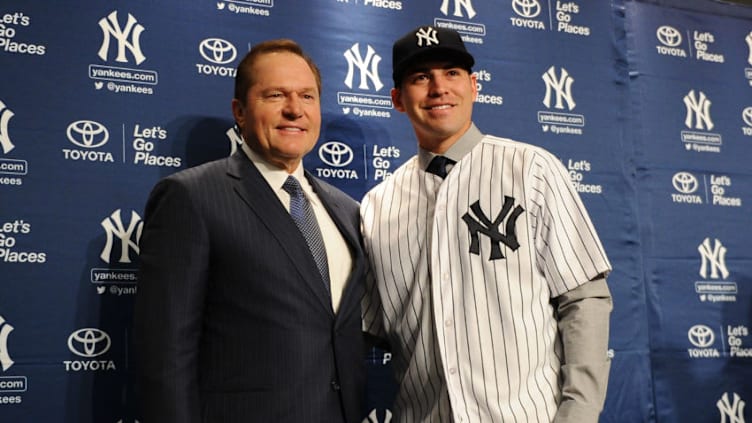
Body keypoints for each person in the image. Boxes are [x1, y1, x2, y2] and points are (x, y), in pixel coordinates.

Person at [360, 25, 613, 423]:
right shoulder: (377, 206)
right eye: (420, 77)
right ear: (397, 99)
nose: (439, 87)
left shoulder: (531, 170)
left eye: (452, 73)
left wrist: (578, 413)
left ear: (474, 86)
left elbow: (583, 300)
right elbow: (364, 330)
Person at [134, 39, 367, 423]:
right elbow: (164, 354)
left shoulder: (346, 209)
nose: (295, 110)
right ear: (239, 112)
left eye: (307, 96)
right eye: (275, 95)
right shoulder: (191, 197)